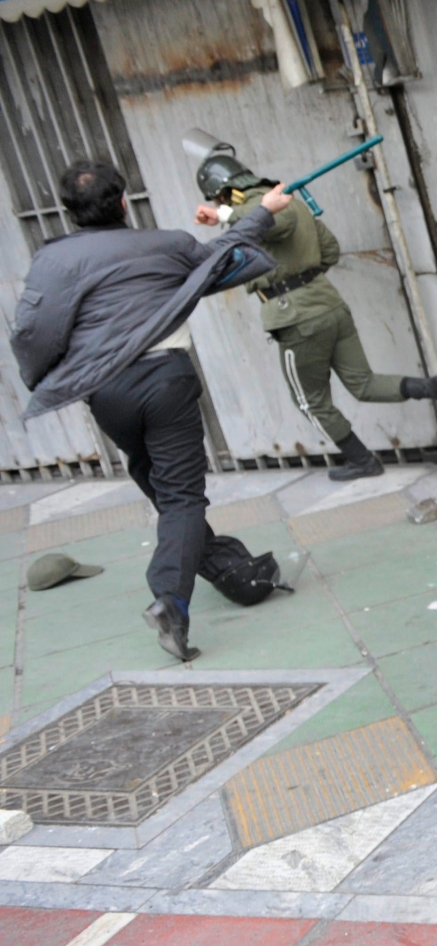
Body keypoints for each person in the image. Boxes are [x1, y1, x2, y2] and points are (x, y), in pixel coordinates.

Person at [11, 162, 296, 661]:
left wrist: (48, 378)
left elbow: (34, 332)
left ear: (69, 213)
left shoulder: (51, 263)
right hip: (166, 380)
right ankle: (170, 601)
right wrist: (260, 214)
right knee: (183, 496)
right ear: (123, 202)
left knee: (153, 476)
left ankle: (230, 569)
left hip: (106, 393)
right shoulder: (166, 246)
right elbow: (220, 260)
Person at [193, 148, 437, 481]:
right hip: (329, 304)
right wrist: (306, 277)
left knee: (310, 401)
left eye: (218, 200)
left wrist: (223, 217)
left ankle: (363, 461)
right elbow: (329, 249)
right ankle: (435, 387)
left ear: (222, 191)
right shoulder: (290, 200)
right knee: (364, 385)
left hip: (296, 318)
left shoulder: (261, 207)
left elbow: (274, 221)